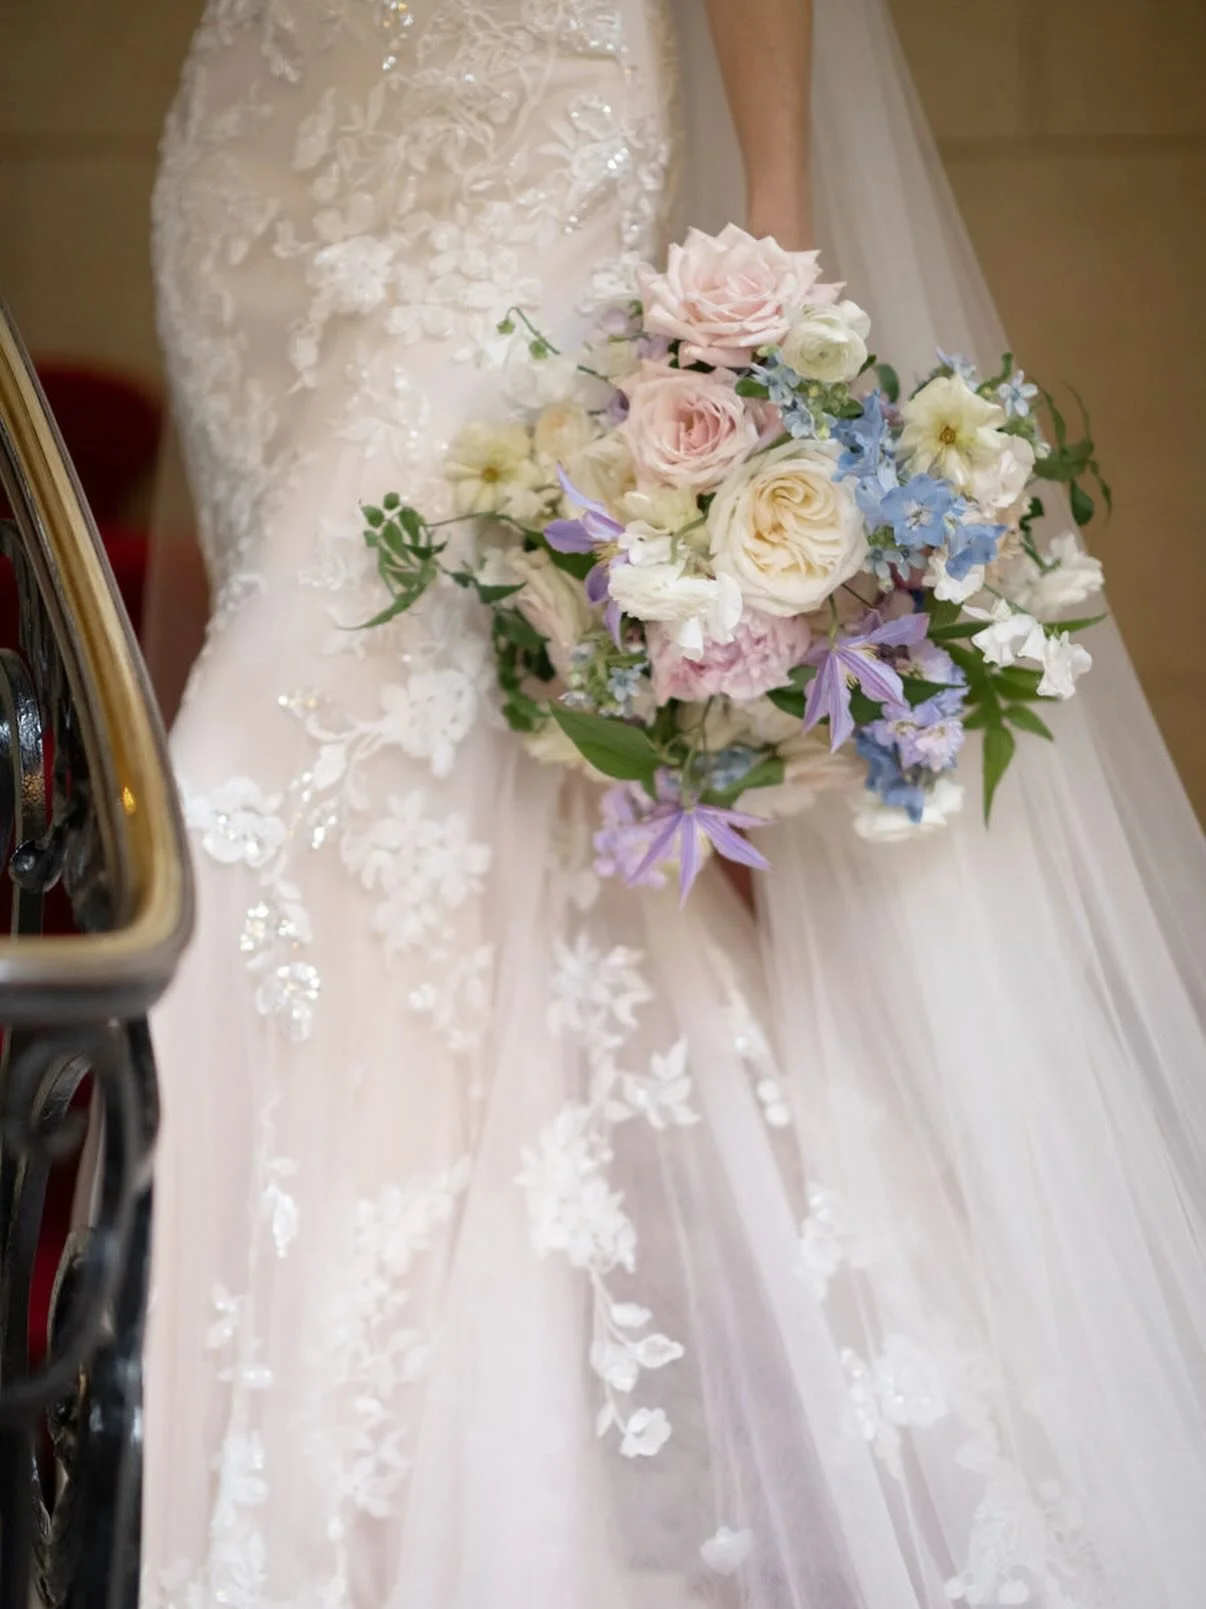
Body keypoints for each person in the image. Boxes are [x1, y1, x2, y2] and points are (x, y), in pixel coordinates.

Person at [140, 1, 1206, 1604]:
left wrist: (772, 189)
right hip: (263, 120)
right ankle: (430, 1470)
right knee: (449, 816)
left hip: (527, 114)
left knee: (268, 759)